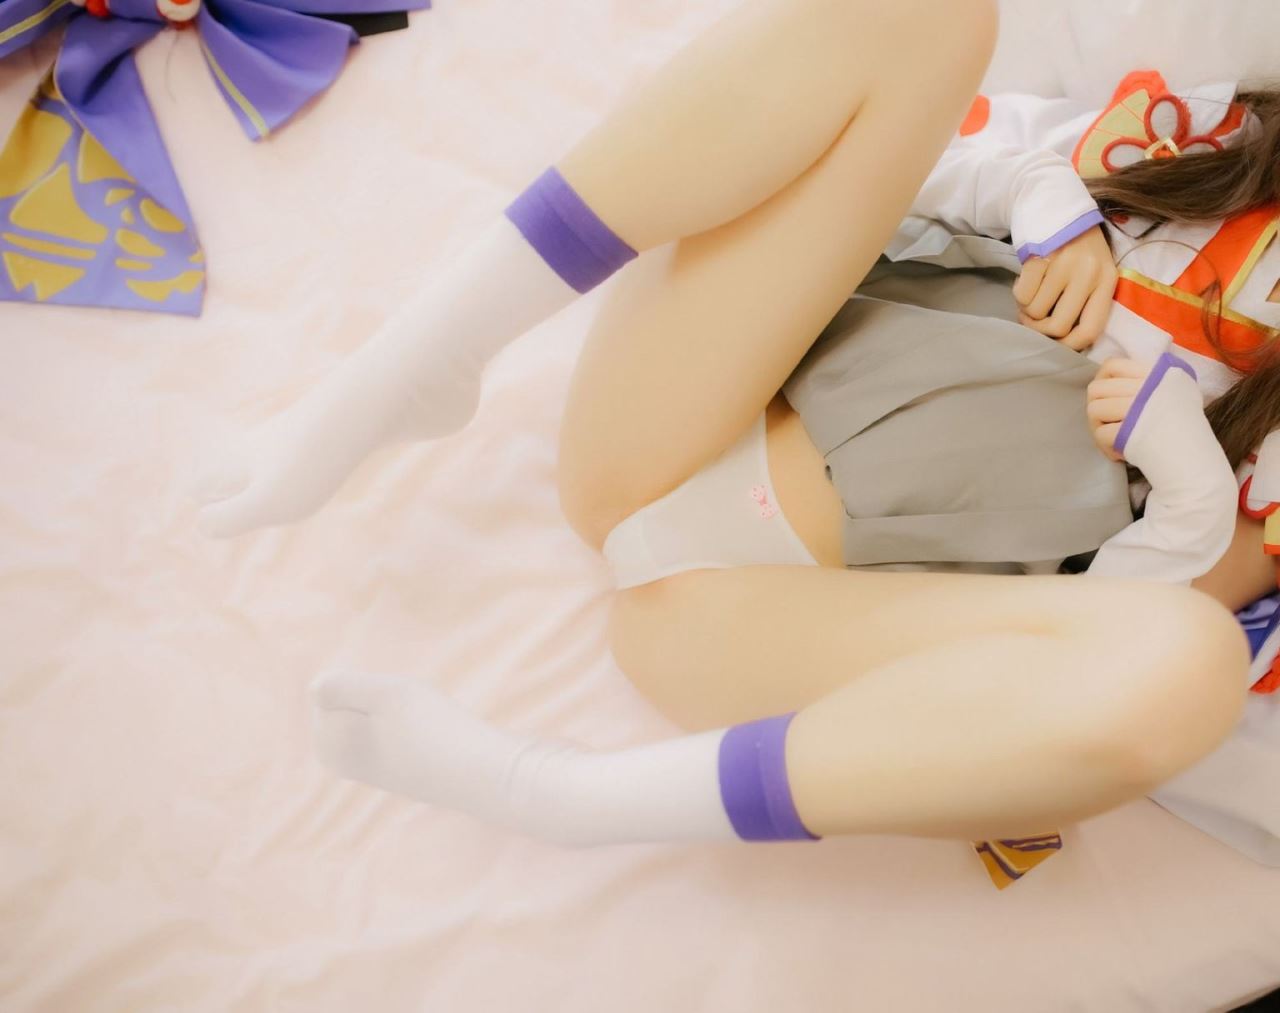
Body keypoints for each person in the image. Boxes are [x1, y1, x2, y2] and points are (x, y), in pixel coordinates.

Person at [193, 0, 1259, 870]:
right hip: (692, 409)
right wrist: (1039, 191)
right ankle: (414, 366)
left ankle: (565, 797)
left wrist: (1191, 481)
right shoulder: (1215, 147)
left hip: (759, 611)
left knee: (1190, 663)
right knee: (925, 13)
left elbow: (1114, 630)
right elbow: (894, 158)